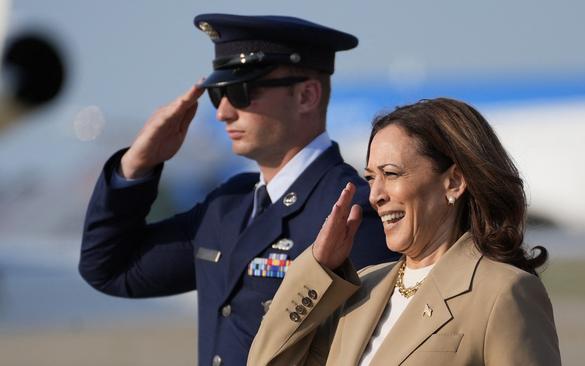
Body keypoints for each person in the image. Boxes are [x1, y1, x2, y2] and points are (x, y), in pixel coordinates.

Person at [78, 14, 397, 366]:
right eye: (218, 95)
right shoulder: (228, 207)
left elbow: (378, 347)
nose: (224, 112)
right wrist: (137, 165)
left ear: (307, 95)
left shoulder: (350, 210)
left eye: (242, 91)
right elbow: (109, 268)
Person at [248, 98, 562, 366]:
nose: (375, 195)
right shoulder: (363, 288)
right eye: (371, 178)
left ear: (453, 182)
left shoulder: (502, 292)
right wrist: (318, 269)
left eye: (391, 174)